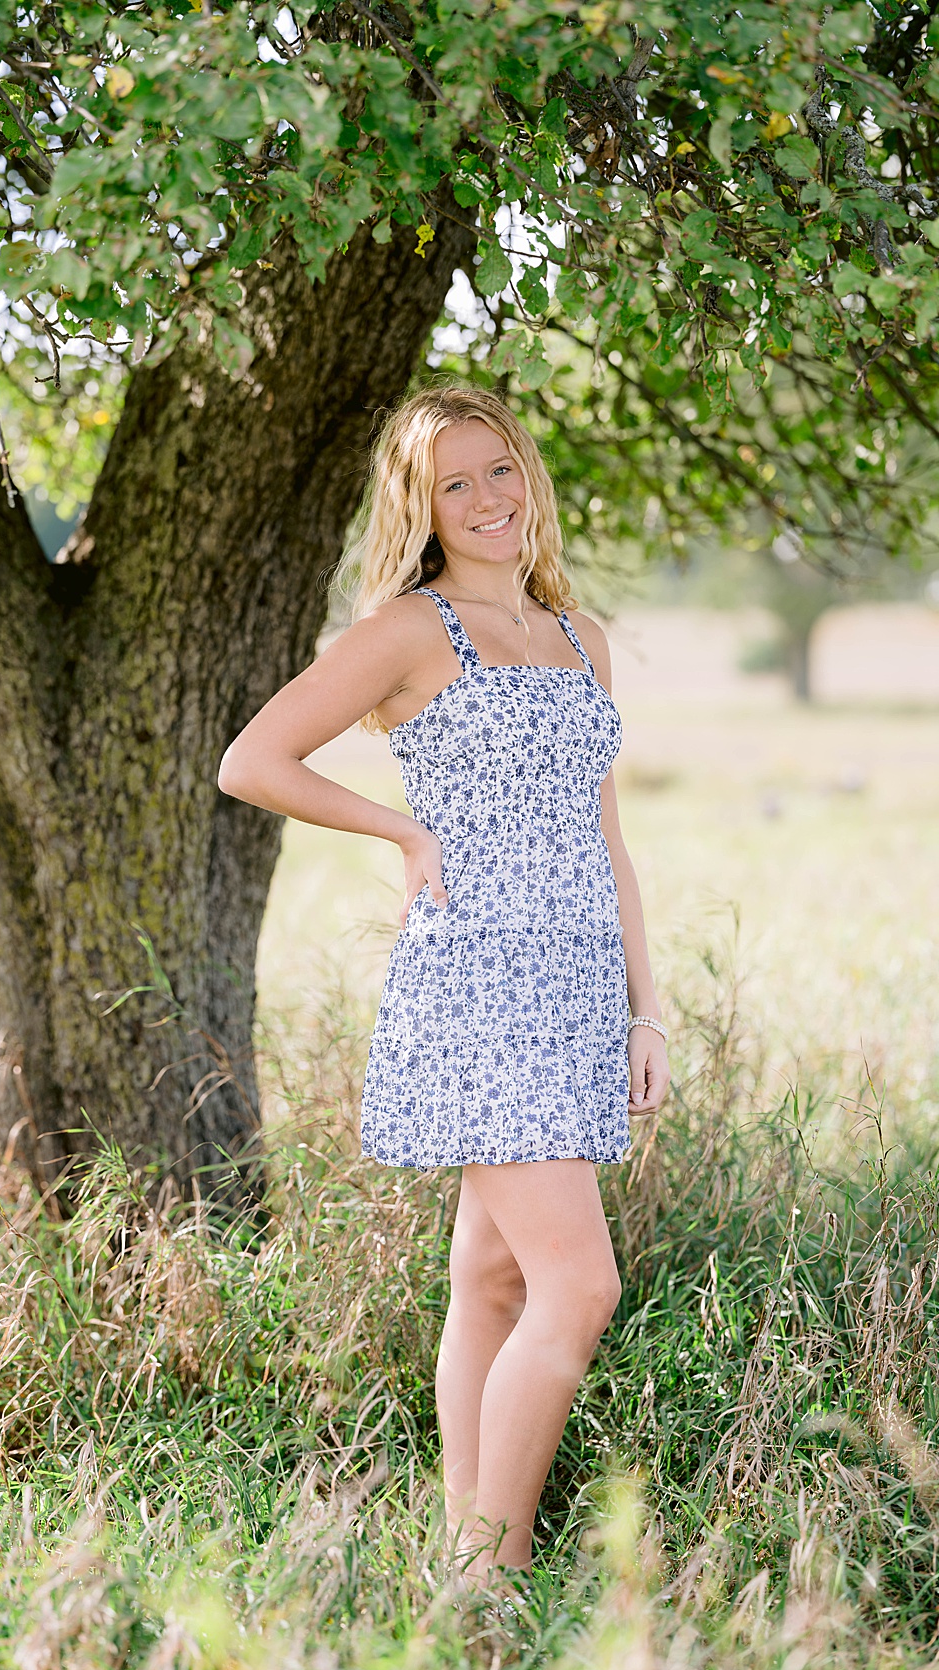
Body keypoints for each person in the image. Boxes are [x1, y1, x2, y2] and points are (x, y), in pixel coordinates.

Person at [217, 383, 670, 1580]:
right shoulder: (412, 632)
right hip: (476, 984)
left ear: (529, 477)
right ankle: (490, 1573)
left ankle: (454, 1554)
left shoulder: (580, 637)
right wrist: (401, 835)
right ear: (419, 508)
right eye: (452, 484)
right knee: (575, 1288)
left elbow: (604, 839)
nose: (485, 501)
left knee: (493, 1274)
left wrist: (646, 1006)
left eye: (498, 471)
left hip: (577, 986)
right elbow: (251, 760)